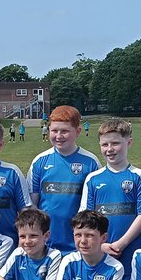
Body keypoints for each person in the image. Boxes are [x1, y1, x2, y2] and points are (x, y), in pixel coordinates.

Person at [80, 119, 141, 280]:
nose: (110, 149)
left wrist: (121, 243)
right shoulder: (93, 179)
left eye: (115, 143)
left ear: (129, 142)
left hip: (130, 257)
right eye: (105, 144)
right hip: (101, 256)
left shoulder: (139, 176)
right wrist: (99, 245)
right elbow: (86, 219)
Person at [28, 105, 99, 253]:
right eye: (54, 131)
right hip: (47, 246)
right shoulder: (40, 161)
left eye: (65, 131)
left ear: (78, 131)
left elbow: (96, 208)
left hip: (79, 246)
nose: (58, 136)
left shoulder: (91, 162)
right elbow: (32, 204)